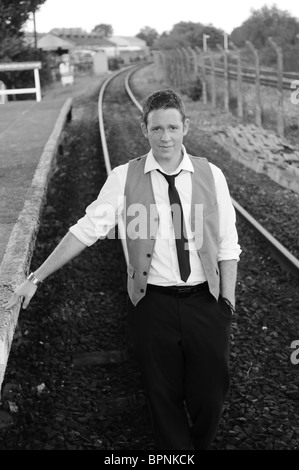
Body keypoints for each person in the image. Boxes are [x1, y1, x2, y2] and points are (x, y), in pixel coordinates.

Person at [4, 88, 241, 450]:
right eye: (157, 128)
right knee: (162, 398)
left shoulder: (212, 175)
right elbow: (86, 230)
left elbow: (228, 245)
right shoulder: (123, 177)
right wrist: (36, 277)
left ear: (185, 128)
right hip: (153, 305)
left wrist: (227, 303)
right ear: (144, 128)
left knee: (210, 394)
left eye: (173, 128)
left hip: (205, 304)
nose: (165, 137)